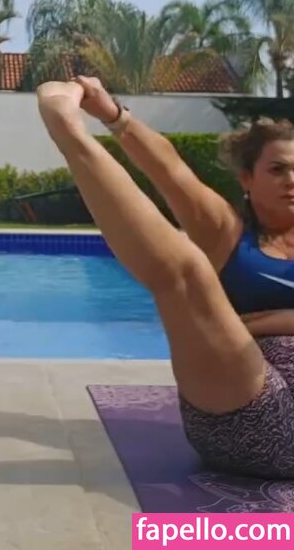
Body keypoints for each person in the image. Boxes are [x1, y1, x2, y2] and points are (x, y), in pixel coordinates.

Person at [36, 76, 294, 478]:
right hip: (251, 416)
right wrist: (112, 114)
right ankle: (69, 132)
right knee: (189, 269)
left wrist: (253, 323)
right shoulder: (228, 234)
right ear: (247, 178)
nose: (291, 180)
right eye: (277, 170)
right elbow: (171, 170)